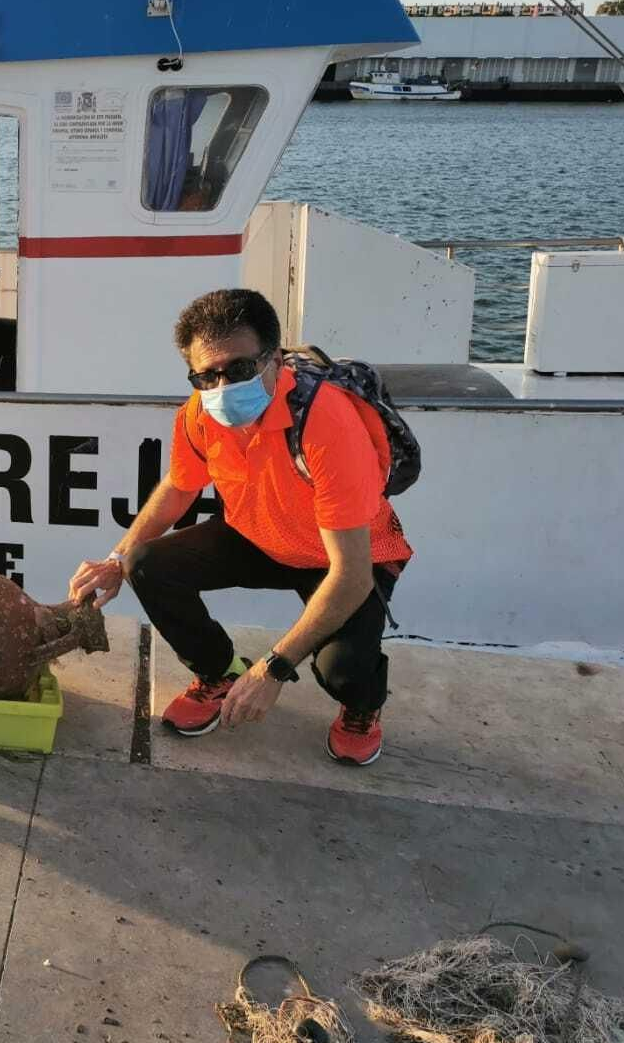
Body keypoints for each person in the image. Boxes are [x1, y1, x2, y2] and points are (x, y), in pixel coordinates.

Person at [68, 289, 411, 765]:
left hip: (341, 558)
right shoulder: (200, 412)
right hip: (259, 534)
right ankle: (219, 672)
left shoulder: (327, 423)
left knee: (343, 671)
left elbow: (351, 575)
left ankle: (362, 707)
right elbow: (178, 488)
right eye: (206, 375)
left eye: (239, 369)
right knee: (146, 563)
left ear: (274, 359)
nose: (222, 386)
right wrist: (116, 560)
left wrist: (272, 670)